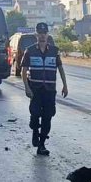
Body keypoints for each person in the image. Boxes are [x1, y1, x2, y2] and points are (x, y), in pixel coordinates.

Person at [24, 23, 68, 156]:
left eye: (44, 33)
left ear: (47, 35)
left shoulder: (54, 51)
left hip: (49, 90)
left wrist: (65, 85)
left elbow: (60, 68)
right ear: (36, 35)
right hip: (36, 90)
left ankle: (42, 144)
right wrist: (27, 88)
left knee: (48, 117)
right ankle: (35, 130)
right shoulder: (30, 51)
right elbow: (24, 70)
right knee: (35, 114)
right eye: (40, 33)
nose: (42, 36)